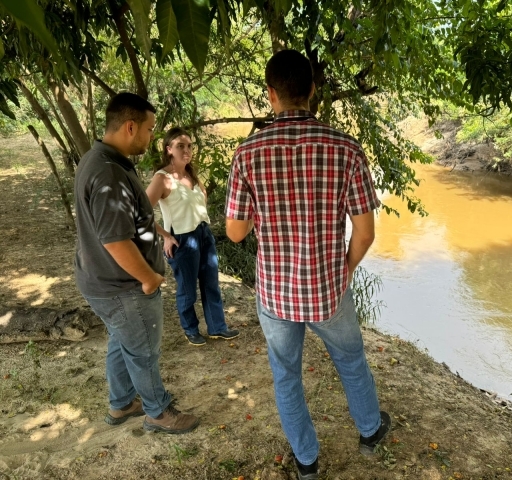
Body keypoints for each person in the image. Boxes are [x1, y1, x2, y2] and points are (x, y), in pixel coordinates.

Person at [225, 50, 390, 480]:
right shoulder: (347, 149)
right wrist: (345, 268)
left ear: (271, 94)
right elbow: (366, 233)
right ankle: (371, 432)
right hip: (328, 289)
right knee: (352, 361)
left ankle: (307, 463)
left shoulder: (247, 154)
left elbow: (236, 233)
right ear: (313, 90)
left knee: (286, 376)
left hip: (276, 294)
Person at [74, 92, 199, 434]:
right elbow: (114, 240)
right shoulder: (108, 172)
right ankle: (157, 413)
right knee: (143, 349)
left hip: (102, 281)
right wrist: (148, 278)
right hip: (123, 286)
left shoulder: (98, 159)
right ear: (130, 127)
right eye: (148, 129)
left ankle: (121, 403)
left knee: (122, 341)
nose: (151, 137)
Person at [145, 127, 239, 346]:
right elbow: (142, 213)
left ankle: (217, 327)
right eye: (180, 146)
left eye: (189, 146)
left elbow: (199, 205)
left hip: (203, 234)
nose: (186, 150)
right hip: (182, 239)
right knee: (188, 290)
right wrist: (166, 236)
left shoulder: (191, 174)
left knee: (211, 283)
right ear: (169, 149)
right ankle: (191, 329)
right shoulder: (163, 179)